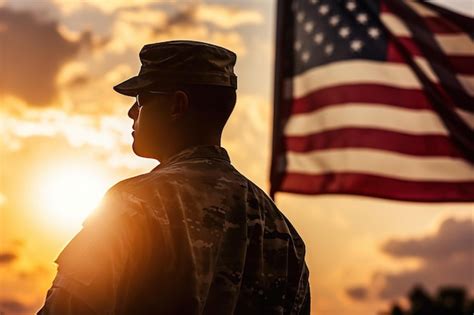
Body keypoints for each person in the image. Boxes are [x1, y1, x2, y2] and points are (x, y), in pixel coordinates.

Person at [38, 40, 310, 315]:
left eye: (141, 98)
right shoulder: (285, 237)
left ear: (177, 105)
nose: (131, 112)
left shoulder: (134, 203)